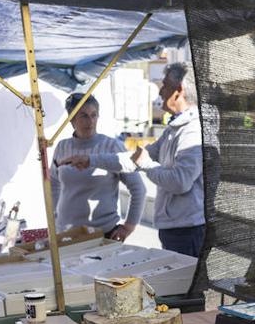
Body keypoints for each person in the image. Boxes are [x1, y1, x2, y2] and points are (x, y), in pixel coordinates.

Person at [66, 63, 206, 256]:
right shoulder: (175, 128)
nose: (160, 93)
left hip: (187, 231)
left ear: (178, 91)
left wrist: (146, 164)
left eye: (164, 86)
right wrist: (91, 160)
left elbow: (180, 182)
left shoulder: (192, 131)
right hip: (175, 229)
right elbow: (133, 159)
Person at [51, 92, 145, 241]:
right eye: (84, 116)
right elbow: (53, 183)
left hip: (103, 233)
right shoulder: (62, 146)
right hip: (66, 233)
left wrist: (128, 227)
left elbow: (138, 188)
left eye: (94, 115)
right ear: (71, 119)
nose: (90, 121)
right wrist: (55, 217)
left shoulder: (112, 146)